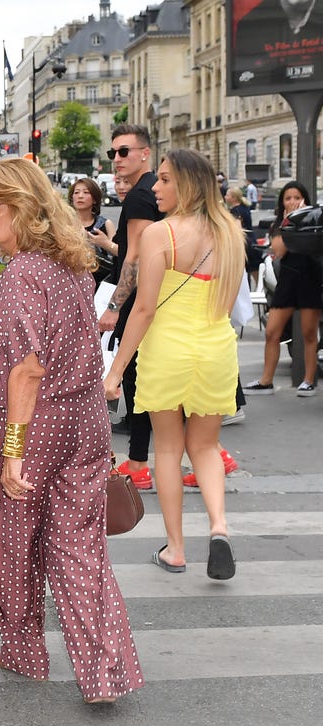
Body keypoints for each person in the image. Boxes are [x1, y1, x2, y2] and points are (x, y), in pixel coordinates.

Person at [0, 156, 143, 704]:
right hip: (86, 420)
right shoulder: (72, 267)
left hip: (34, 424)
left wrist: (13, 451)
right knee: (80, 548)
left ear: (22, 208)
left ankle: (23, 652)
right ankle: (105, 672)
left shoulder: (21, 275)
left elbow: (26, 369)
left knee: (17, 543)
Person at [104, 148, 246, 580]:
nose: (156, 188)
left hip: (167, 348)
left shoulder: (159, 234)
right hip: (216, 347)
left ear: (185, 183)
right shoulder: (231, 233)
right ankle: (219, 527)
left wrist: (115, 371)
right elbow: (229, 301)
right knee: (204, 447)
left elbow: (144, 308)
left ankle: (177, 549)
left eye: (164, 180)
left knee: (167, 447)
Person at [98, 124, 164, 491]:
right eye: (113, 153)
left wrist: (113, 307)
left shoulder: (141, 196)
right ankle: (211, 452)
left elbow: (134, 260)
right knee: (154, 380)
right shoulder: (156, 190)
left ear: (145, 153)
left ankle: (138, 463)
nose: (117, 159)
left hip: (144, 301)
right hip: (166, 298)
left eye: (124, 151)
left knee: (137, 378)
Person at [244, 180, 322, 397]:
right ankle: (266, 381)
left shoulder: (315, 220)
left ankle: (308, 381)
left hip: (309, 278)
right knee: (272, 332)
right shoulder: (280, 224)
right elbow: (279, 250)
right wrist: (290, 220)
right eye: (288, 198)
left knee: (308, 333)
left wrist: (304, 217)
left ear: (305, 199)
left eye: (297, 198)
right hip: (287, 280)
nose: (293, 202)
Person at [67, 177, 118, 282]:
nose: (80, 196)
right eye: (76, 193)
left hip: (101, 282)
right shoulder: (65, 224)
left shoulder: (106, 224)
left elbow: (119, 252)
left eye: (86, 192)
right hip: (71, 282)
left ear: (95, 199)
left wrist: (105, 243)